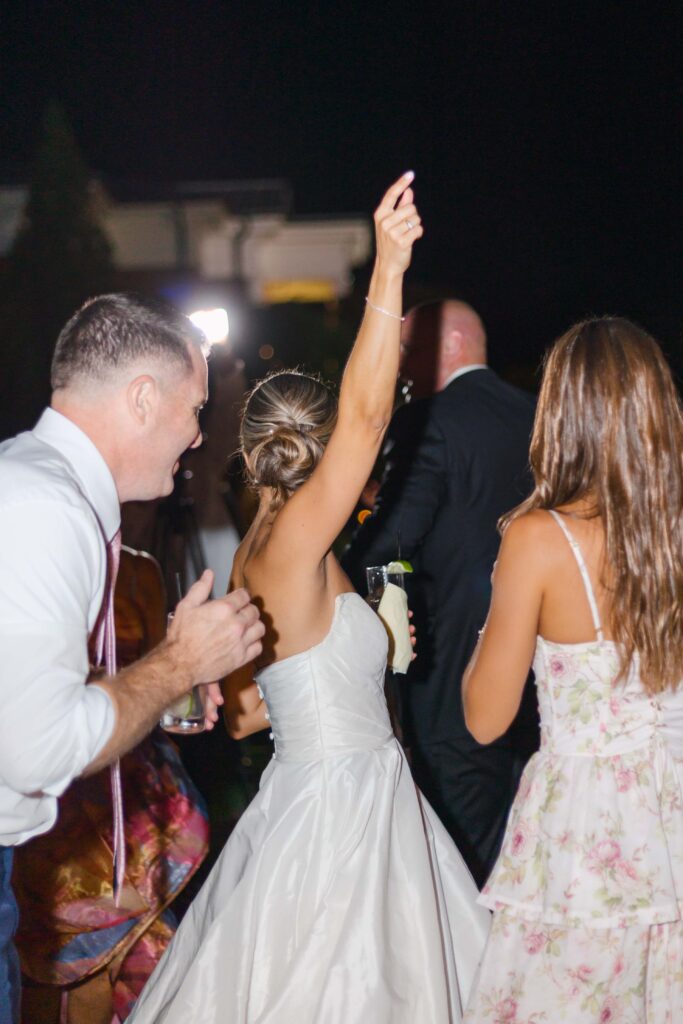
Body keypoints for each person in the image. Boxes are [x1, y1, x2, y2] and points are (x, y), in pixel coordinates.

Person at [128, 174, 490, 1024]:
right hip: (344, 814)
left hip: (332, 788)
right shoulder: (292, 539)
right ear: (320, 451)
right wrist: (387, 270)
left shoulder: (269, 543)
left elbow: (252, 712)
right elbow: (368, 422)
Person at [0, 294, 265, 1024]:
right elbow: (37, 747)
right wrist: (178, 665)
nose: (196, 436)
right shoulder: (42, 507)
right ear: (144, 398)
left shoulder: (33, 484)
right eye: (194, 410)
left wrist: (151, 684)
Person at [462, 318, 683, 1022]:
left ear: (557, 415)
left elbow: (484, 719)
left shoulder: (538, 539)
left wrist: (488, 626)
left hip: (589, 837)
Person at [342, 299, 537, 886]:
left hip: (453, 670)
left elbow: (393, 537)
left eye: (405, 350)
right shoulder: (537, 413)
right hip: (537, 673)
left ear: (441, 347)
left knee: (459, 850)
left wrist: (346, 560)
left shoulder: (429, 421)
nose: (400, 366)